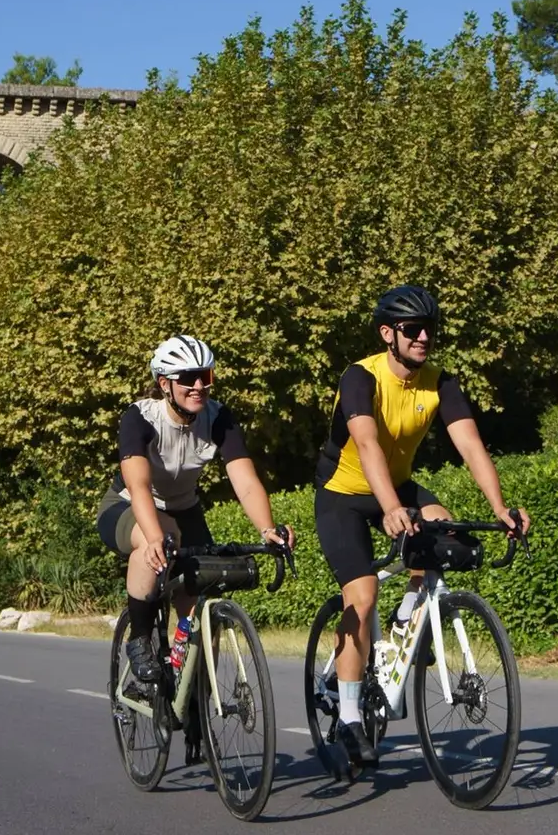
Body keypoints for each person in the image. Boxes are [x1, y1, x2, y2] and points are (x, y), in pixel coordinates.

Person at [311, 285, 529, 764]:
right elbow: (367, 445)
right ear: (388, 333)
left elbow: (471, 446)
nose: (424, 337)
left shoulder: (439, 382)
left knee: (446, 534)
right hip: (344, 494)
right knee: (362, 594)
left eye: (431, 328)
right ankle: (348, 716)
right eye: (413, 329)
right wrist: (389, 508)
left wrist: (500, 507)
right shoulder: (360, 377)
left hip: (400, 486)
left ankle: (405, 623)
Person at [97, 335, 290, 686]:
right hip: (129, 505)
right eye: (188, 378)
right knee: (159, 539)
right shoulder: (141, 417)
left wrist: (268, 529)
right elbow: (138, 484)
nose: (199, 385)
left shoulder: (218, 418)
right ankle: (139, 638)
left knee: (199, 607)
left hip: (185, 510)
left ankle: (194, 693)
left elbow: (245, 481)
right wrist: (154, 537)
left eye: (206, 376)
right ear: (165, 384)